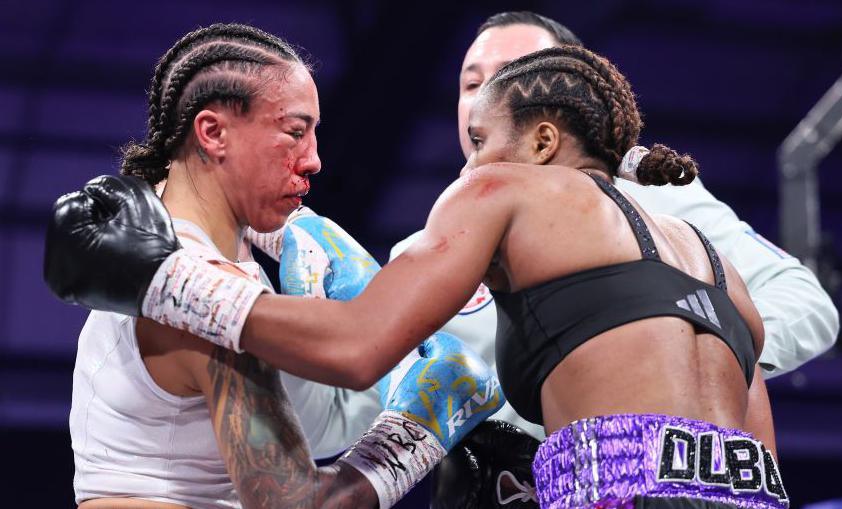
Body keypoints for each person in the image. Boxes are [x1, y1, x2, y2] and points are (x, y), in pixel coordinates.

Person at [46, 43, 789, 507]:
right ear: (211, 132)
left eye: (479, 140)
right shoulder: (713, 259)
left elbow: (364, 342)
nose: (467, 165)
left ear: (539, 139)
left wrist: (158, 278)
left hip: (610, 485)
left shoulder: (505, 189)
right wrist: (420, 431)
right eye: (296, 132)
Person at [60, 23, 502, 509]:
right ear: (212, 133)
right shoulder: (205, 301)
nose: (313, 160)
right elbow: (291, 502)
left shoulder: (188, 250)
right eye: (294, 132)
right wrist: (409, 439)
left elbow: (317, 422)